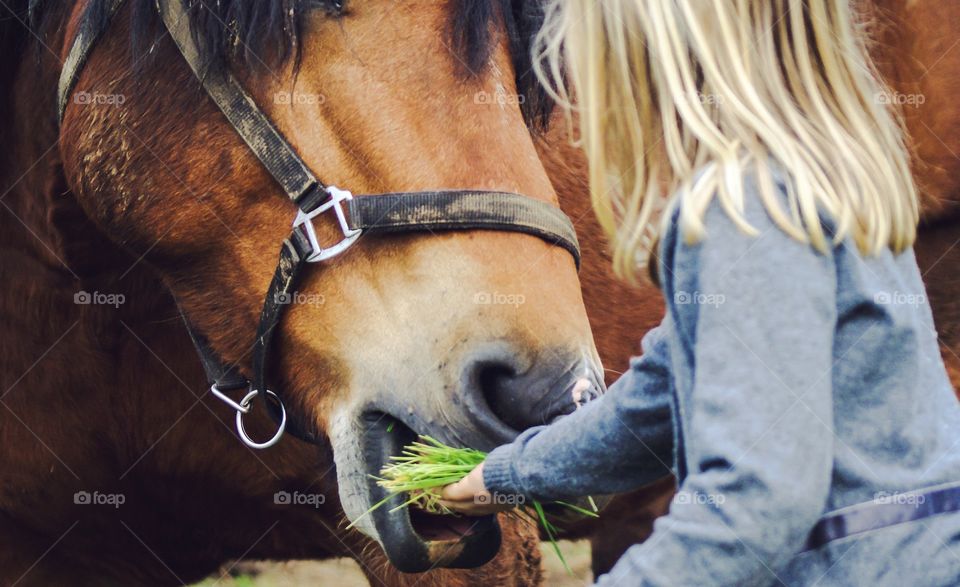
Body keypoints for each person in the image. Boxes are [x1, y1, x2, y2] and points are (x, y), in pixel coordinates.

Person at [438, 1, 960, 585]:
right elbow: (658, 400)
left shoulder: (742, 213)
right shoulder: (815, 180)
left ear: (637, 56)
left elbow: (754, 501)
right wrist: (507, 475)